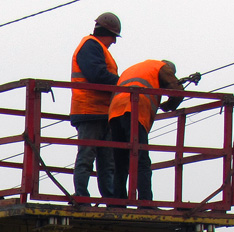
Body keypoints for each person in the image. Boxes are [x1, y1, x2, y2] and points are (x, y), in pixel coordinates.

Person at [108, 59, 185, 203]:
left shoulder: (136, 68)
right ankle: (145, 201)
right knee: (141, 159)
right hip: (134, 110)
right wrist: (169, 105)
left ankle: (117, 202)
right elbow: (178, 92)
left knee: (120, 161)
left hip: (115, 113)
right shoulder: (162, 67)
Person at [69, 12, 121, 202]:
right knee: (87, 156)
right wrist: (122, 83)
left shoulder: (97, 48)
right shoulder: (90, 46)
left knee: (107, 160)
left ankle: (110, 198)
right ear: (106, 33)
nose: (114, 42)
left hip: (102, 112)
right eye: (113, 37)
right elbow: (96, 75)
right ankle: (81, 195)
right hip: (88, 110)